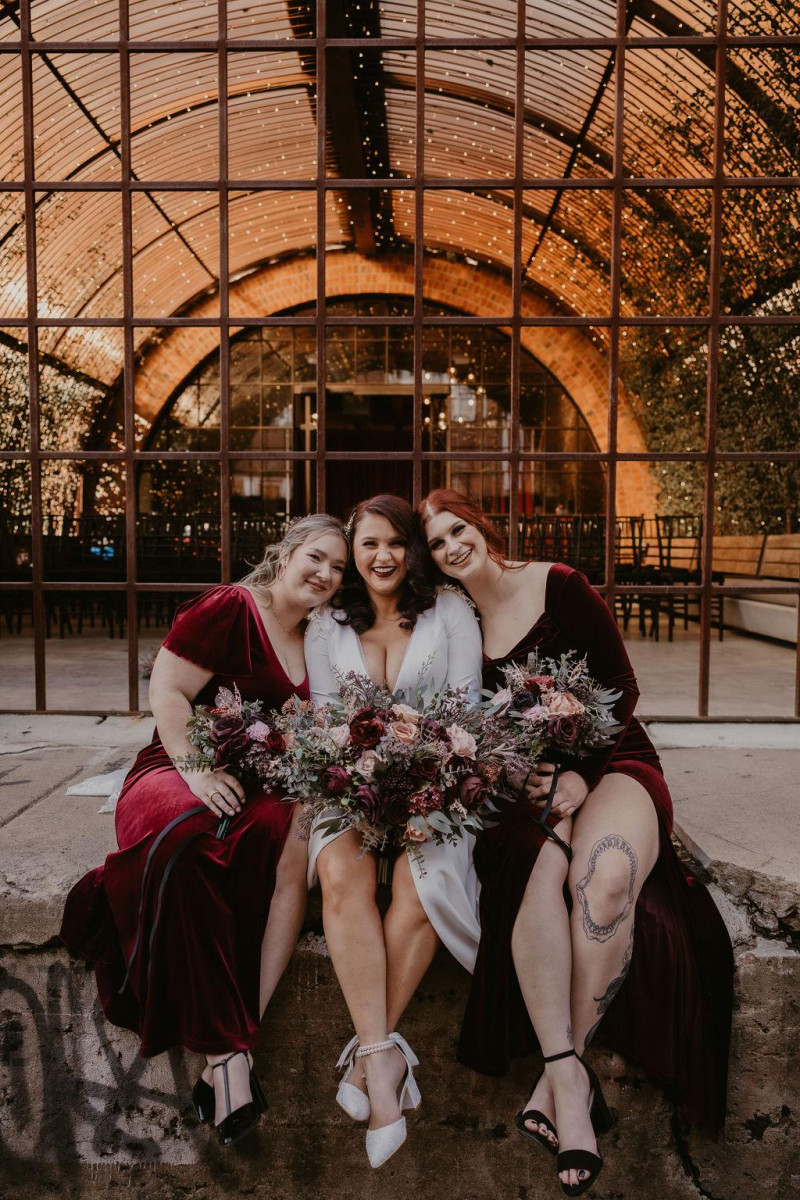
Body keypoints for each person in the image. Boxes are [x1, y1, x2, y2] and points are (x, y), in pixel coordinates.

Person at [419, 489, 733, 1197]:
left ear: (481, 526)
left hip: (613, 761)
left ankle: (557, 1076)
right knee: (537, 865)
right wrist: (515, 774)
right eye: (436, 543)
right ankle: (569, 1083)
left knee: (610, 879)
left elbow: (621, 685)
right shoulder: (455, 620)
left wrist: (582, 775)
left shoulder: (557, 584)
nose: (453, 547)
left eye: (458, 529)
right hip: (529, 782)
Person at [60, 515, 348, 1146]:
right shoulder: (231, 607)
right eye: (316, 557)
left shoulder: (321, 636)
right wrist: (194, 770)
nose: (325, 574)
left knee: (273, 845)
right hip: (177, 766)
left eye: (337, 568)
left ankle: (232, 1050)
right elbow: (168, 690)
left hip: (259, 781)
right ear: (286, 552)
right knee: (190, 844)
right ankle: (229, 1055)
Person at [304, 494, 483, 1169]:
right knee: (340, 874)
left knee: (422, 888)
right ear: (353, 550)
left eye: (396, 542)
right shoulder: (325, 624)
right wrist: (358, 781)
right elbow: (324, 722)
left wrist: (425, 785)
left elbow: (467, 714)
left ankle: (367, 1063)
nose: (383, 557)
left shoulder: (450, 611)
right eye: (369, 543)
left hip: (439, 781)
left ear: (413, 549)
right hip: (346, 785)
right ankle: (384, 1063)